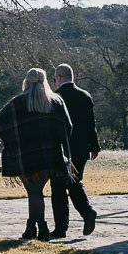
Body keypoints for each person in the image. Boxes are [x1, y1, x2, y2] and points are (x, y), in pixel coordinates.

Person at [0, 67, 97, 241]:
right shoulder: (55, 101)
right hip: (52, 156)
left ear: (26, 81)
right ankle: (32, 227)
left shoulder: (16, 103)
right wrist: (63, 149)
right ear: (45, 81)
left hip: (26, 156)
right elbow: (67, 127)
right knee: (40, 190)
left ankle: (42, 228)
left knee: (34, 192)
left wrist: (12, 141)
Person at [50, 63, 98, 238]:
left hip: (61, 149)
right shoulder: (85, 96)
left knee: (58, 187)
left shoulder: (55, 98)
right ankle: (87, 212)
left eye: (55, 78)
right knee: (73, 181)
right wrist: (94, 146)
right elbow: (91, 124)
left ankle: (61, 227)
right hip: (81, 149)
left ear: (60, 77)